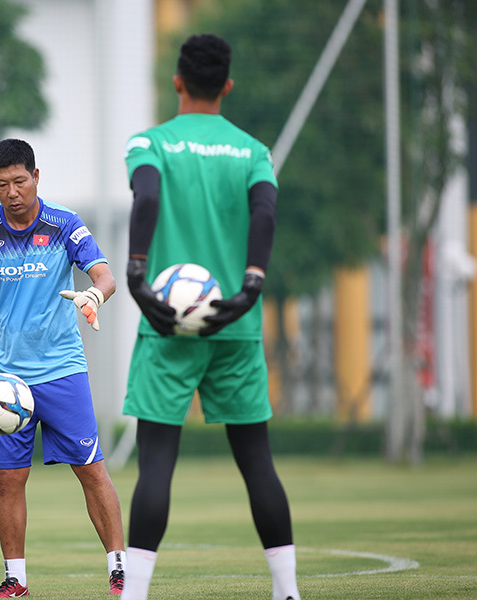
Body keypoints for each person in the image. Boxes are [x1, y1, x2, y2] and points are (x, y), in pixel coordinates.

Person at [120, 34, 301, 600]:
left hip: (167, 323)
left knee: (156, 465)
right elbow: (266, 210)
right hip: (235, 323)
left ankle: (137, 594)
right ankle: (288, 592)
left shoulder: (150, 142)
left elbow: (146, 200)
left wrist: (136, 274)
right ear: (226, 86)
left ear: (177, 82)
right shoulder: (252, 151)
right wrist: (251, 285)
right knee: (257, 462)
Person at [0, 138, 126, 597]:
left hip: (62, 369)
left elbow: (104, 274)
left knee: (91, 469)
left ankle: (120, 569)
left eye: (19, 181)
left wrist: (95, 295)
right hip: (5, 383)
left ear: (36, 177)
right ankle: (16, 579)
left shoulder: (64, 224)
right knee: (9, 480)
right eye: (1, 184)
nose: (11, 192)